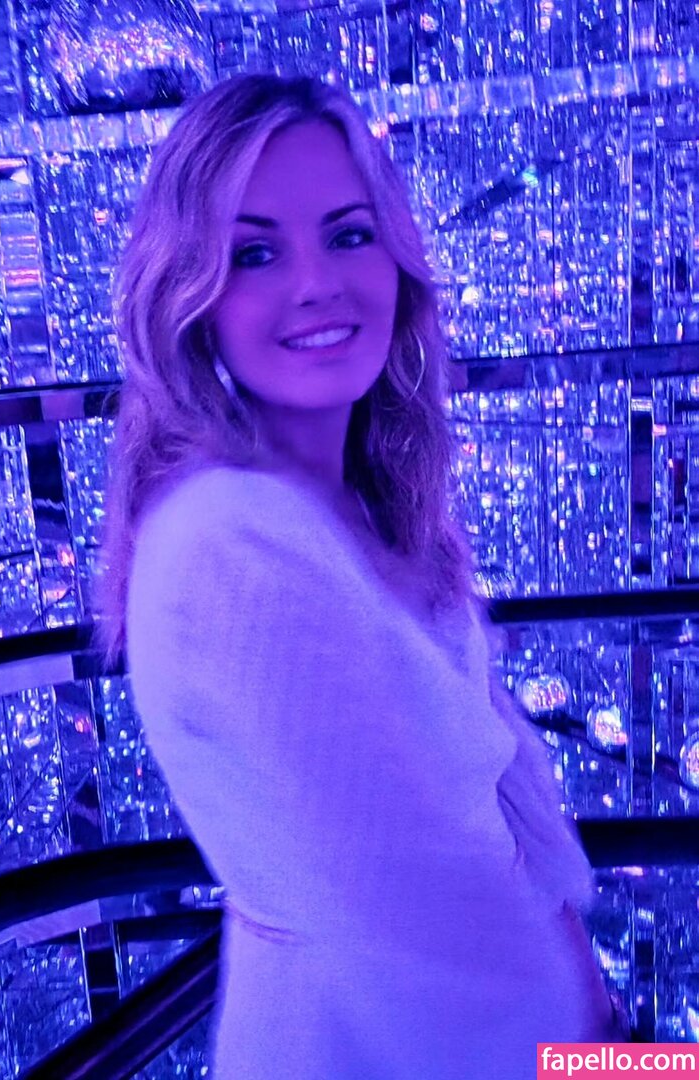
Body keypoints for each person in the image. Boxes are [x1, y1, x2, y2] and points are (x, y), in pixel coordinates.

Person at [97, 73, 628, 1078]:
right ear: (191, 297)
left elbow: (486, 830)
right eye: (255, 252)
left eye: (349, 234)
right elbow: (436, 944)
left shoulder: (361, 505)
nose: (317, 284)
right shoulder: (230, 548)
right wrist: (627, 1066)